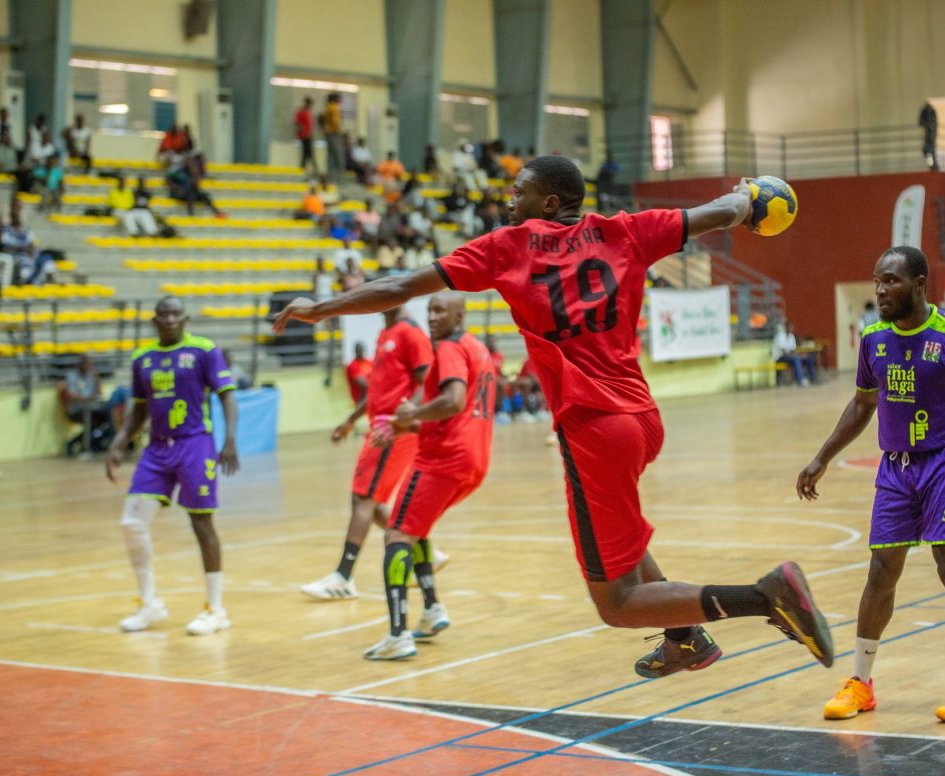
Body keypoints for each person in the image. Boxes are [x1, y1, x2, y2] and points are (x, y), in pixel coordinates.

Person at [274, 155, 835, 677]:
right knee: (621, 536)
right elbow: (723, 212)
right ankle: (684, 638)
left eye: (518, 192)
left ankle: (766, 597)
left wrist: (320, 308)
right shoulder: (627, 230)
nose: (508, 200)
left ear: (547, 203)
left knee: (617, 604)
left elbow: (400, 286)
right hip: (640, 417)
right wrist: (748, 195)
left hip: (593, 426)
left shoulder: (507, 247)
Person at [797, 246, 945, 723]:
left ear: (919, 284)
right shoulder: (873, 339)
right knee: (881, 571)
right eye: (877, 280)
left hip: (943, 463)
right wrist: (822, 457)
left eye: (891, 281)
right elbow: (862, 405)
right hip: (894, 469)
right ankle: (860, 683)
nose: (880, 290)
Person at [361, 292, 494, 659]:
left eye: (441, 311)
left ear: (460, 315)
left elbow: (453, 401)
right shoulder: (477, 348)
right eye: (430, 310)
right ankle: (432, 609)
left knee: (396, 534)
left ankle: (397, 635)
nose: (433, 317)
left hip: (442, 460)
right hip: (473, 459)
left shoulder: (450, 348)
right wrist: (402, 426)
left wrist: (411, 415)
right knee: (416, 528)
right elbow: (458, 415)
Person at [105, 296, 239, 635]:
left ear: (185, 319)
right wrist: (118, 444)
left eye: (175, 313)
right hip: (156, 448)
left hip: (195, 444)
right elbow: (138, 409)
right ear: (155, 321)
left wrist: (229, 440)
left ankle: (216, 610)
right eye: (163, 314)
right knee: (132, 523)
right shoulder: (142, 358)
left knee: (201, 523)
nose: (169, 319)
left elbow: (226, 395)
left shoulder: (204, 350)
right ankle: (149, 604)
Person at [300, 304, 433, 601]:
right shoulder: (387, 333)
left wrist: (402, 419)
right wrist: (350, 420)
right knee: (367, 500)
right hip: (379, 429)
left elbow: (428, 384)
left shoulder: (410, 333)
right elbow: (376, 390)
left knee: (364, 498)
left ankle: (343, 577)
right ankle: (423, 549)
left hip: (393, 431)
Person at [772, 321, 817, 386]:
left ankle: (813, 378)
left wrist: (801, 355)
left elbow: (793, 350)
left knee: (808, 358)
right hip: (779, 357)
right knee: (796, 359)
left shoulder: (791, 336)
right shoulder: (780, 336)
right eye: (789, 327)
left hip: (789, 356)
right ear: (785, 327)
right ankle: (800, 380)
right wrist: (796, 356)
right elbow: (784, 352)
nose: (791, 329)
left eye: (792, 327)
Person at [322, 93, 344, 181]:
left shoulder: (328, 107)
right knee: (337, 153)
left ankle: (330, 173)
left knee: (330, 154)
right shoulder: (334, 107)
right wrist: (339, 130)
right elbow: (335, 122)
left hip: (328, 132)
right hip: (333, 132)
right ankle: (338, 173)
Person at [294, 96, 317, 175]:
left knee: (308, 153)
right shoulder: (301, 112)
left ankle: (305, 168)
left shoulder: (309, 112)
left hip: (308, 135)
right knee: (307, 153)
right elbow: (298, 123)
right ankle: (309, 169)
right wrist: (302, 130)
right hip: (304, 135)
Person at [918, 102, 938, 171]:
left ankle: (933, 166)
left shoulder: (931, 112)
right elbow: (921, 122)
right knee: (928, 152)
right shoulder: (927, 111)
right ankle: (932, 165)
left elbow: (922, 122)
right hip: (929, 135)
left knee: (929, 152)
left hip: (930, 136)